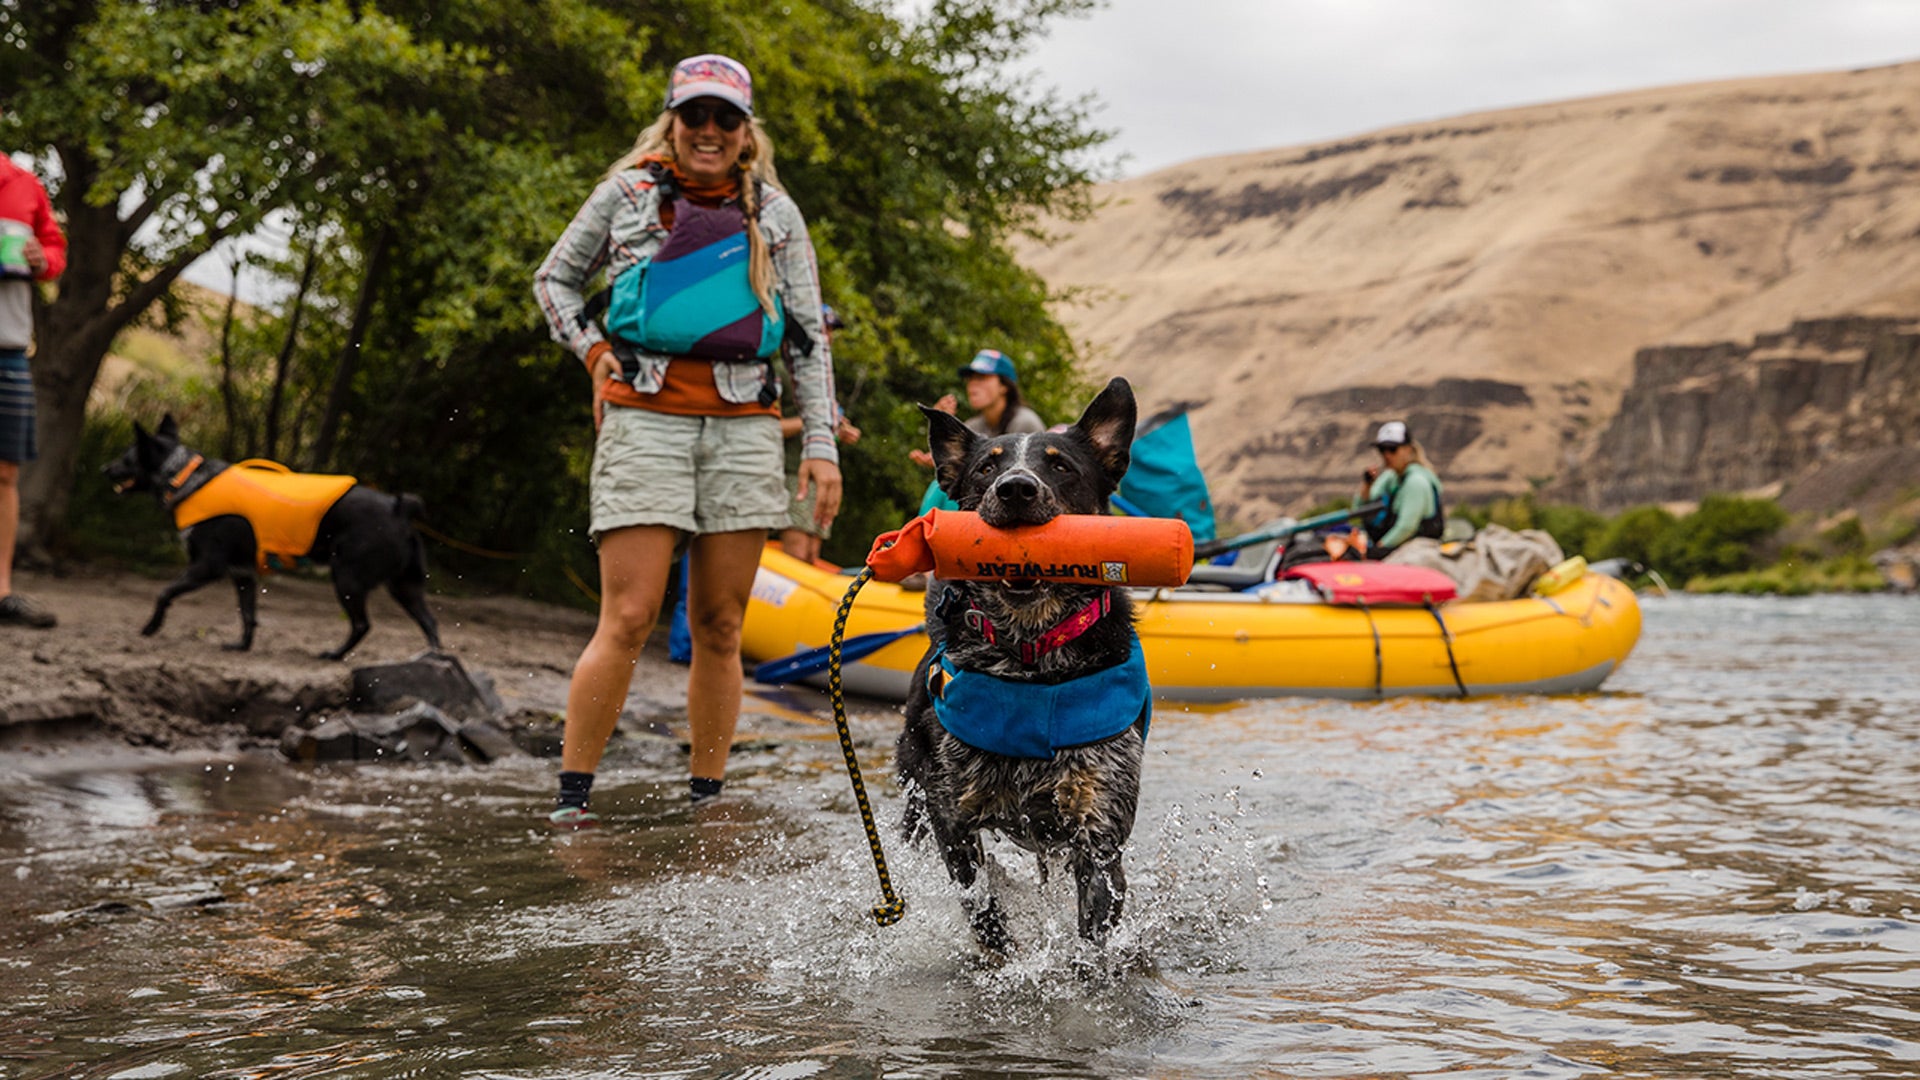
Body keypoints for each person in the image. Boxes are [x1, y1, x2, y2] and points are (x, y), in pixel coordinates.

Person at [532, 54, 841, 824]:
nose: (708, 131)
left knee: (722, 623)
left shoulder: (776, 213)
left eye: (724, 119)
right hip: (645, 418)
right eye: (694, 116)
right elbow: (554, 281)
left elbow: (808, 340)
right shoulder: (627, 191)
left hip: (744, 428)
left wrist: (822, 446)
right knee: (630, 615)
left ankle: (706, 800)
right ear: (673, 120)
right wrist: (595, 353)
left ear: (745, 131)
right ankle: (573, 803)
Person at [0, 154, 66, 629]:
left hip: (8, 344)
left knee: (5, 473)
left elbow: (54, 249)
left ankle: (0, 593)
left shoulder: (25, 185)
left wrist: (44, 260)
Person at [909, 348, 1045, 512]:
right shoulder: (973, 426)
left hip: (1018, 501)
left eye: (981, 378)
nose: (973, 385)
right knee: (938, 488)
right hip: (987, 501)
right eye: (971, 379)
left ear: (1004, 386)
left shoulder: (1025, 422)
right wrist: (942, 453)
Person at [777, 304, 859, 563]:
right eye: (824, 328)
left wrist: (838, 431)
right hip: (792, 471)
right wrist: (812, 422)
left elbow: (825, 423)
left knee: (812, 552)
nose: (828, 336)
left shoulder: (822, 373)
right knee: (797, 552)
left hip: (821, 473)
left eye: (831, 330)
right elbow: (770, 427)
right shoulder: (781, 368)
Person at [1359, 420, 1444, 557]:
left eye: (1393, 449)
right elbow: (1361, 509)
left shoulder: (1416, 481)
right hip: (1400, 552)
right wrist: (1367, 485)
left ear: (1408, 450)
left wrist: (1375, 551)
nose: (1386, 455)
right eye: (1382, 449)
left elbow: (1406, 527)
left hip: (1417, 556)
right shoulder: (1391, 478)